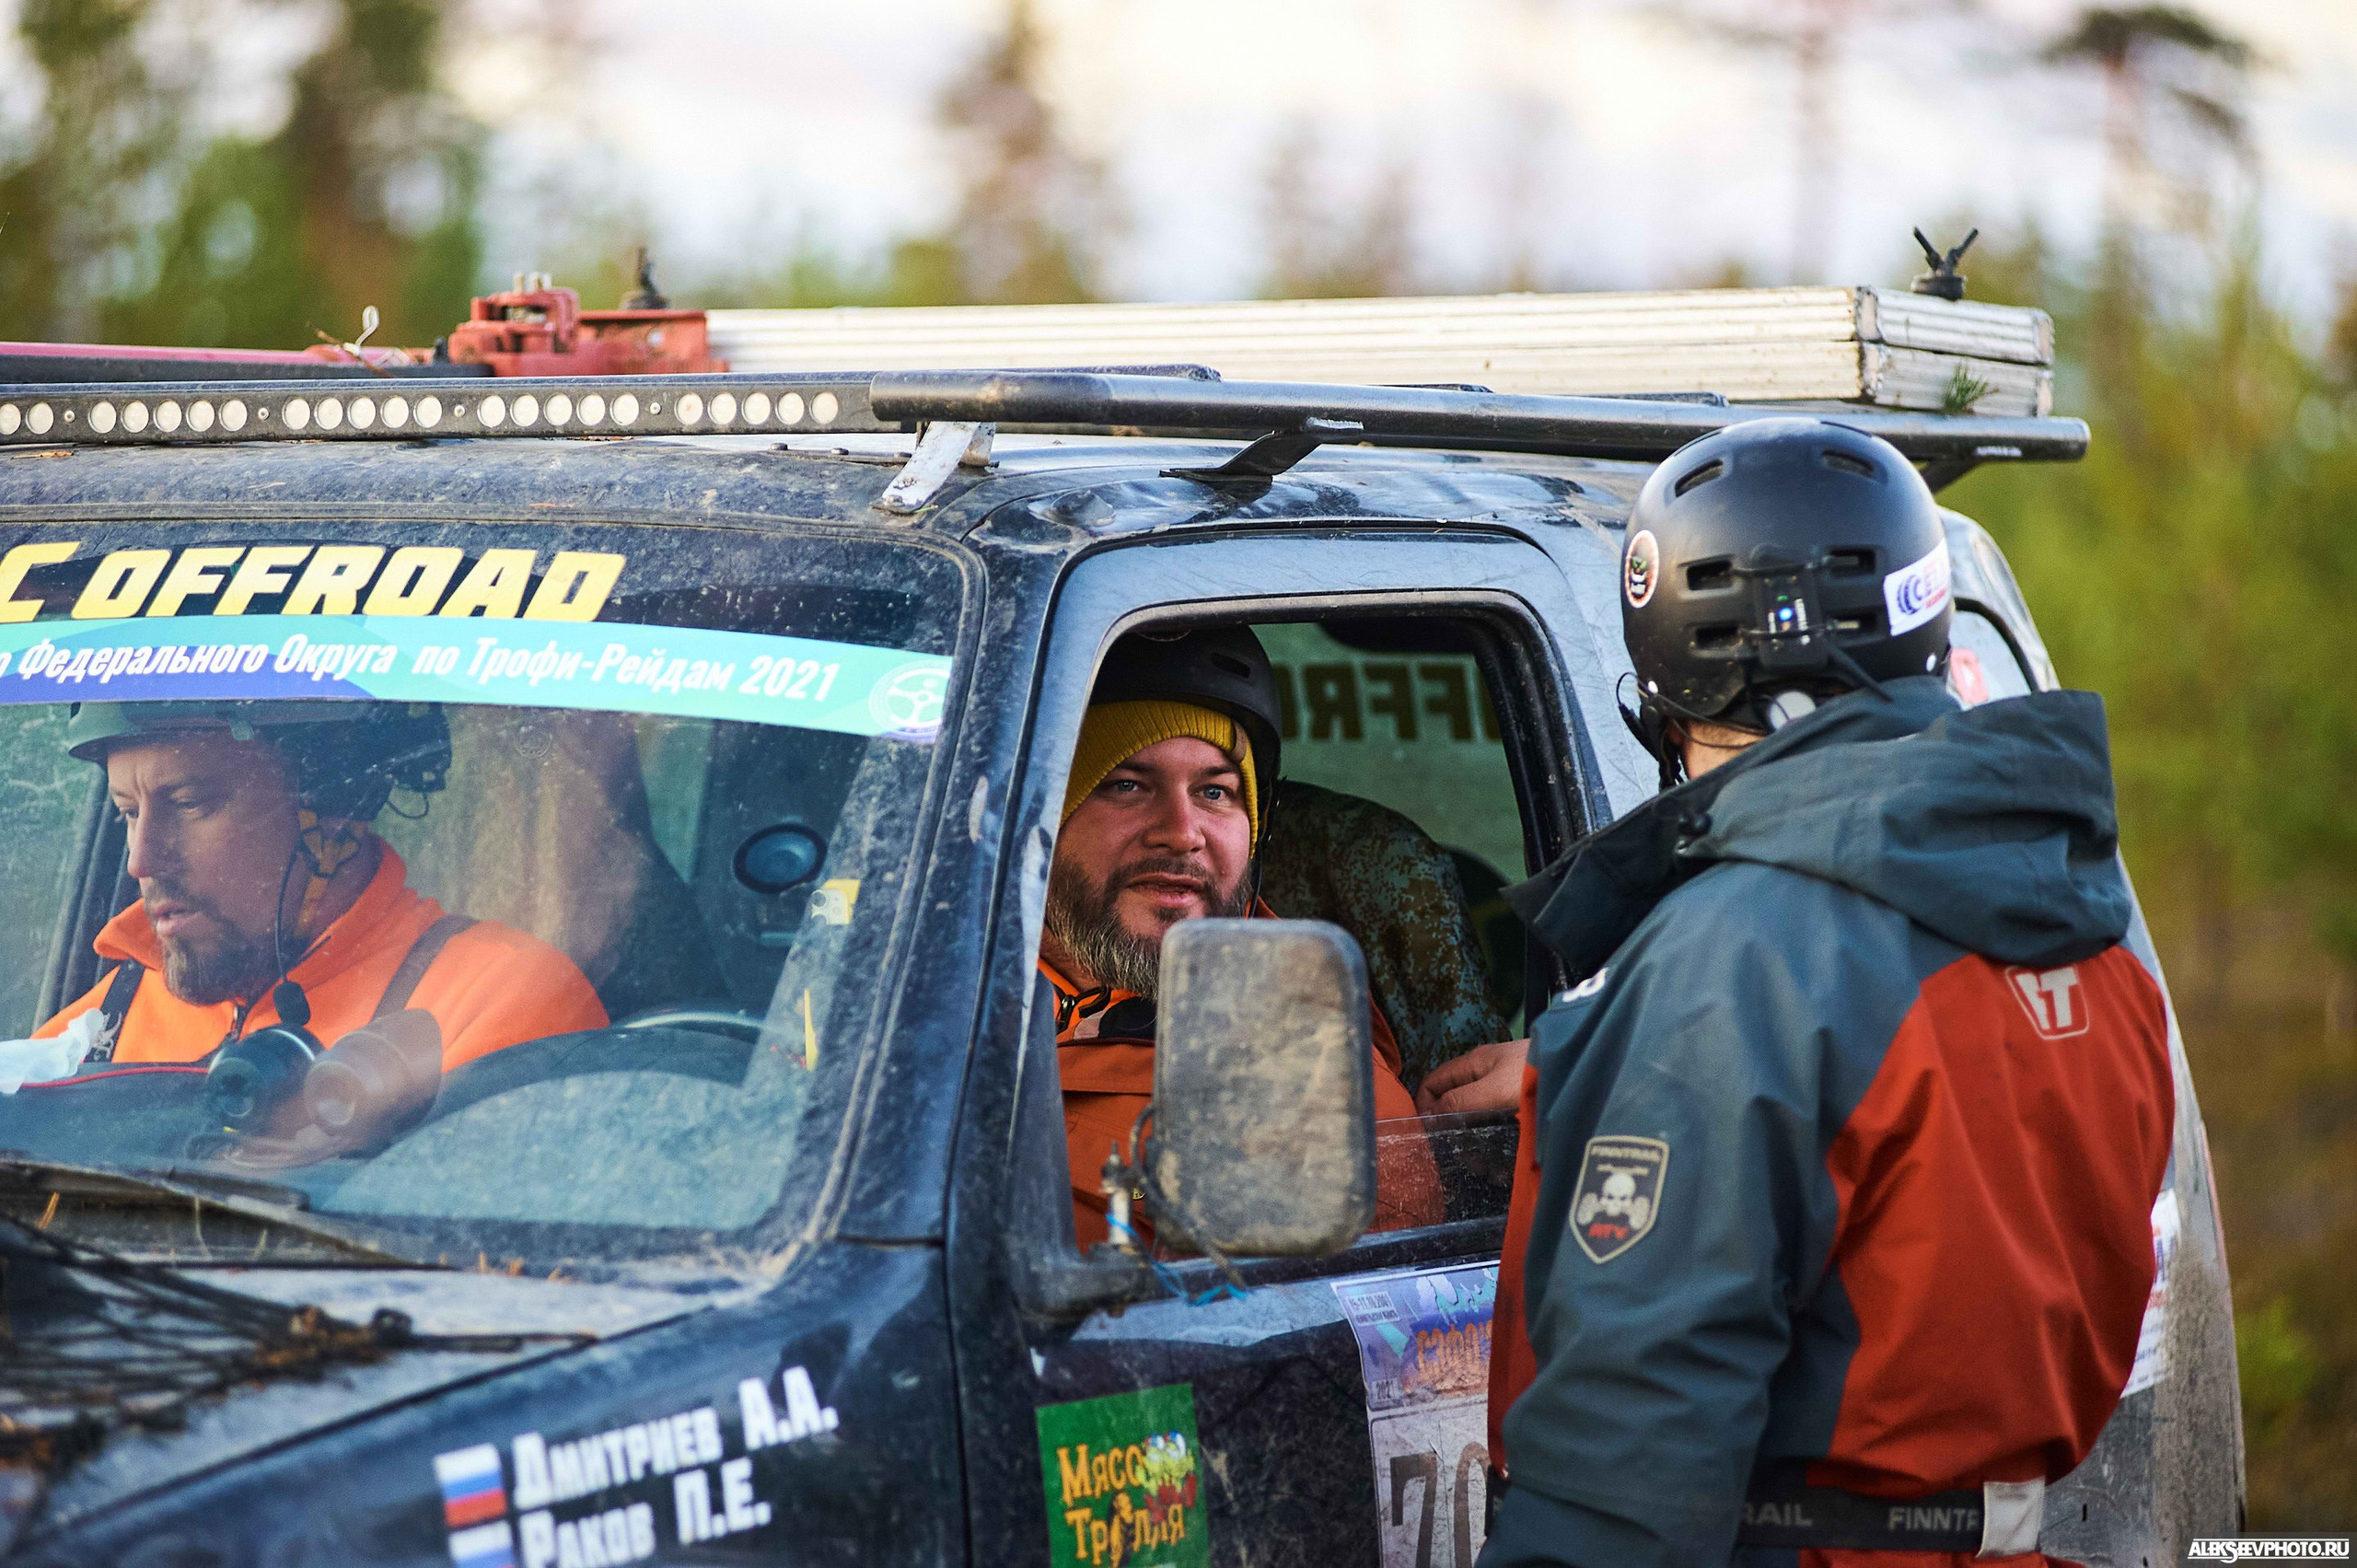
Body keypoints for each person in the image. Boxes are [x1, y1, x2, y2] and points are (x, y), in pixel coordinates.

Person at [1479, 419, 2174, 1567]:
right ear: (1927, 626)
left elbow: (1623, 1463)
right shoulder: (2089, 932)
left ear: (1663, 679)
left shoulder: (1731, 961)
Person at [1042, 627, 1446, 1249]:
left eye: (1215, 792)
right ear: (1044, 817)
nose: (1181, 832)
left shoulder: (1318, 1093)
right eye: (1127, 784)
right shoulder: (915, 978)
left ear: (1255, 830)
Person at [35, 701, 606, 1076]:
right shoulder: (95, 1026)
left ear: (334, 808)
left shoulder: (497, 1001)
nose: (141, 860)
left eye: (189, 805)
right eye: (127, 814)